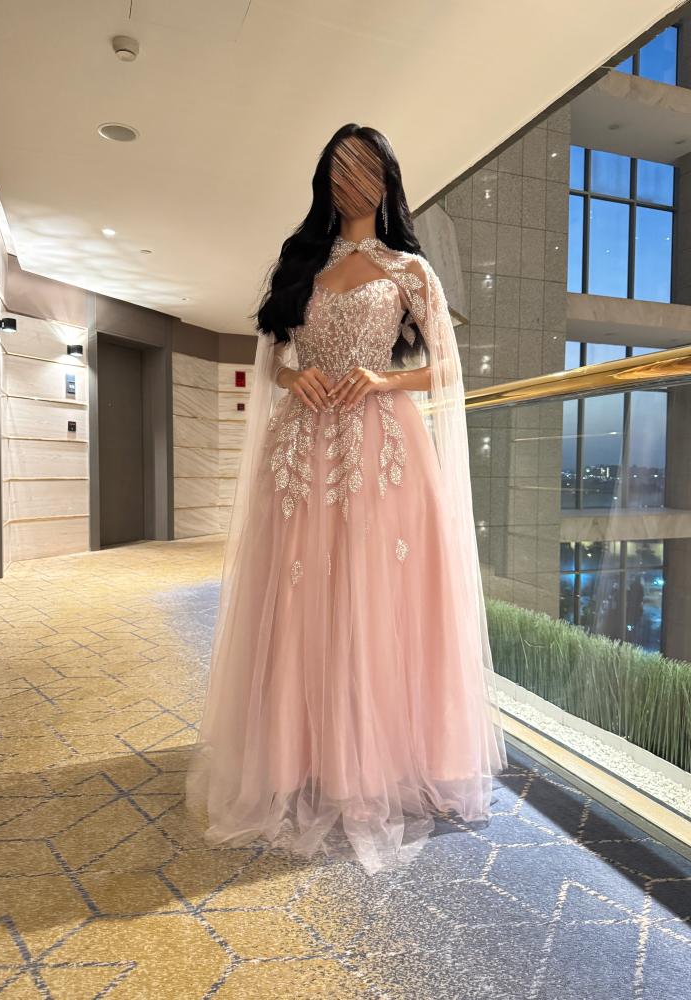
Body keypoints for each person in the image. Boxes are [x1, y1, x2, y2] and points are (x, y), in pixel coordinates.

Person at [186, 123, 508, 876]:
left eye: (364, 167)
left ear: (388, 180)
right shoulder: (302, 261)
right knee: (297, 591)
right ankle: (294, 756)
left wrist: (384, 377)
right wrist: (293, 376)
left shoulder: (411, 270)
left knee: (374, 593)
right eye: (338, 166)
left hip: (382, 446)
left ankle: (374, 761)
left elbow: (447, 368)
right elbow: (274, 355)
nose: (350, 179)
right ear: (323, 178)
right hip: (301, 446)